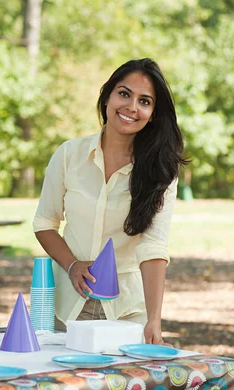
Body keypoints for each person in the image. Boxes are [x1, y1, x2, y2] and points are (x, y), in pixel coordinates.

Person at [33, 58, 187, 344]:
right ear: (107, 97)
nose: (131, 107)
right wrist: (72, 265)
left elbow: (153, 247)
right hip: (65, 308)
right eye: (124, 94)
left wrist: (154, 320)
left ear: (153, 114)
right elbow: (44, 223)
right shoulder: (69, 155)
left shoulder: (161, 171)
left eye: (145, 101)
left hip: (127, 314)